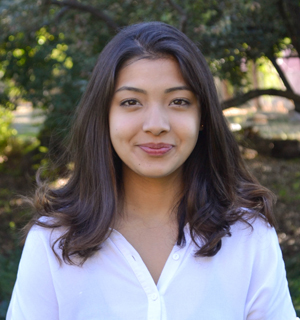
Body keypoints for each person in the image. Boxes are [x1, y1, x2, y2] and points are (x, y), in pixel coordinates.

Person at [7, 21, 297, 320]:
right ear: (104, 115)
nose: (156, 124)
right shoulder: (53, 241)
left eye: (179, 101)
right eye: (131, 102)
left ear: (202, 116)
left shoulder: (248, 235)